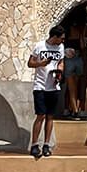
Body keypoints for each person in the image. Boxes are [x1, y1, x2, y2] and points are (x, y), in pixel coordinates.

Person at [28, 24, 65, 158]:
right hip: (40, 86)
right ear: (54, 37)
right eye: (61, 38)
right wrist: (41, 64)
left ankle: (46, 144)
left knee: (50, 116)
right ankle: (34, 144)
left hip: (53, 86)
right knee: (41, 115)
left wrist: (60, 72)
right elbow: (30, 63)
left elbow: (61, 62)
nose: (62, 40)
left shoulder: (60, 47)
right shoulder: (40, 46)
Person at [63, 9, 87, 118]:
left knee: (71, 88)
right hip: (78, 57)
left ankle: (73, 109)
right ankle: (75, 109)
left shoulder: (66, 30)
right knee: (76, 86)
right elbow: (82, 46)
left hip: (68, 58)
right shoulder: (80, 30)